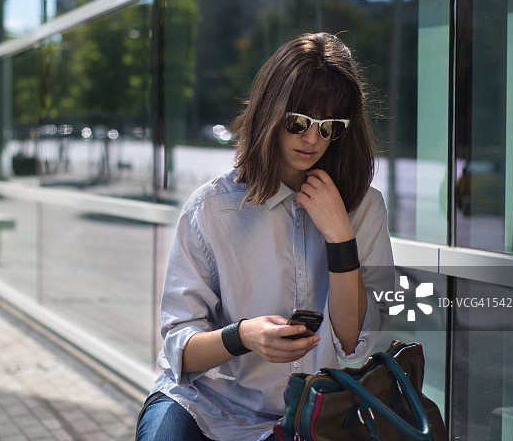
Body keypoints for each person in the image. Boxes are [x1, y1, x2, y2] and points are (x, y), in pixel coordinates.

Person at [136, 32, 395, 441]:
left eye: (329, 127)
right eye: (298, 123)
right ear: (270, 113)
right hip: (203, 403)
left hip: (308, 412)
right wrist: (243, 336)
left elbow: (352, 342)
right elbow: (180, 350)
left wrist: (340, 237)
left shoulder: (364, 208)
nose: (312, 139)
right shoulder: (211, 208)